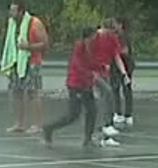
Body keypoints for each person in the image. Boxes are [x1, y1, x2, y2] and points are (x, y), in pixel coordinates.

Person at [42, 27, 102, 148]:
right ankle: (49, 128)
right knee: (73, 115)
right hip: (76, 84)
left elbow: (90, 63)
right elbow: (77, 65)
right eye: (94, 37)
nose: (95, 39)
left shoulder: (90, 48)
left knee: (92, 110)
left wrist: (101, 67)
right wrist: (90, 74)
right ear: (88, 37)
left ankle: (88, 139)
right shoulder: (79, 47)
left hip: (86, 84)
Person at [1, 0, 47, 135]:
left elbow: (45, 44)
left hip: (32, 61)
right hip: (15, 62)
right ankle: (18, 123)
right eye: (10, 10)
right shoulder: (11, 24)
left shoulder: (34, 23)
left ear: (21, 11)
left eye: (13, 10)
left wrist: (28, 47)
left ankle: (37, 124)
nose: (11, 13)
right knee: (16, 93)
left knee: (33, 93)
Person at [89, 18, 125, 146]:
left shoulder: (112, 38)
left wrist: (124, 73)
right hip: (94, 72)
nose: (112, 34)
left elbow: (116, 56)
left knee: (105, 100)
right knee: (107, 93)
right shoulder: (95, 37)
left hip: (105, 73)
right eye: (110, 31)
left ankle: (104, 135)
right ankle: (105, 126)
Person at [113, 17, 136, 126]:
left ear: (120, 25)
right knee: (115, 89)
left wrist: (114, 50)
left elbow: (125, 51)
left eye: (115, 24)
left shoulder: (123, 37)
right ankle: (119, 113)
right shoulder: (116, 36)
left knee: (126, 90)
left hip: (126, 66)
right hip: (117, 66)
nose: (114, 26)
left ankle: (127, 115)